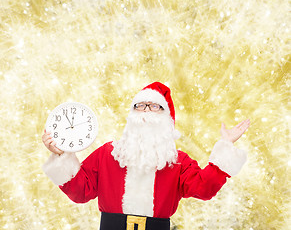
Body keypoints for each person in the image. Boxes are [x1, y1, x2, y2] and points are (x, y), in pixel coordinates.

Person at [42, 82, 250, 230]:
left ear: (166, 118)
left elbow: (203, 189)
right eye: (140, 106)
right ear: (131, 114)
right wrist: (62, 155)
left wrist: (226, 146)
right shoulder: (108, 154)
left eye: (154, 106)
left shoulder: (177, 162)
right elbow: (81, 192)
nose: (145, 111)